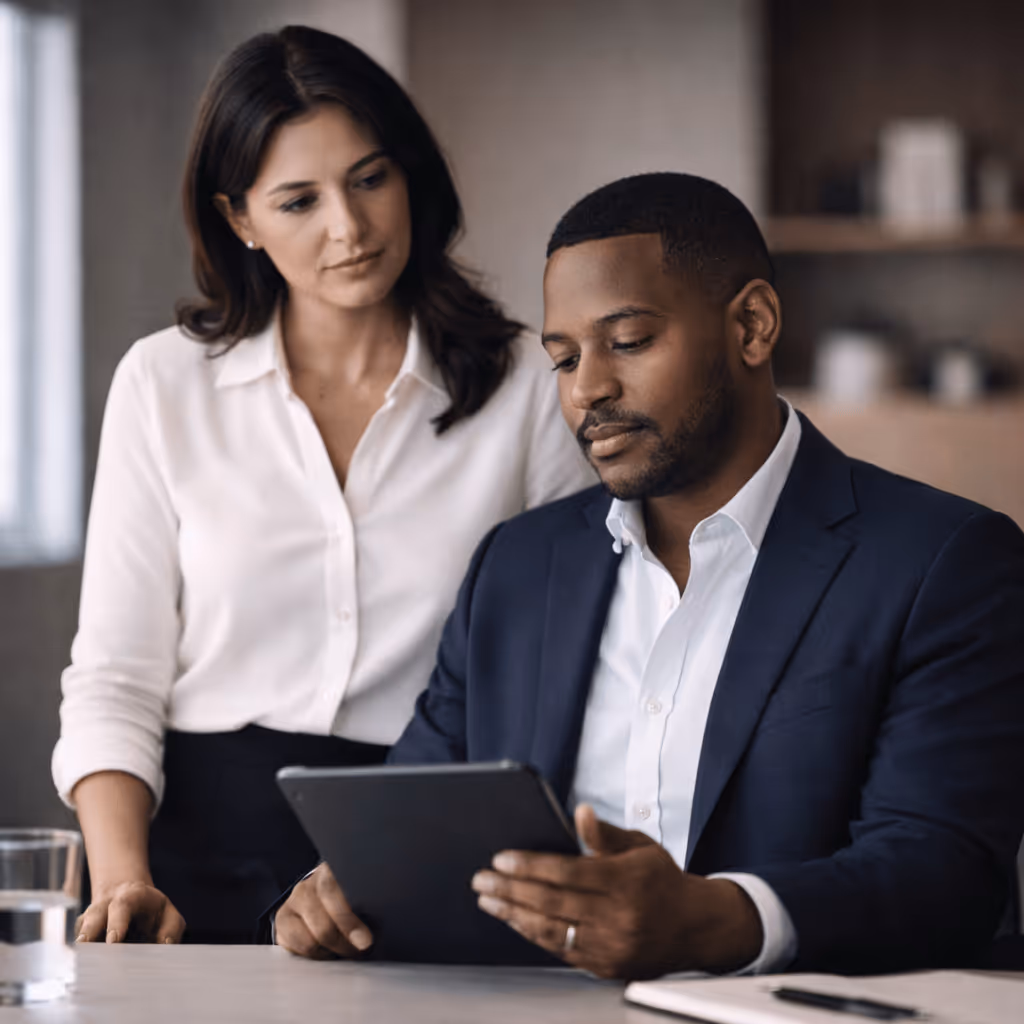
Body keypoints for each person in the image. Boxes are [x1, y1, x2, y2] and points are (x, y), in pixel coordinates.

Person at [273, 172, 1024, 978]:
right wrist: (338, 890)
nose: (588, 389)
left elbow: (944, 873)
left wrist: (719, 922)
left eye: (628, 342)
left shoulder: (945, 560)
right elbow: (412, 826)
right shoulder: (516, 568)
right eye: (563, 360)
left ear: (753, 325)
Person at [52, 26, 592, 945]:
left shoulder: (525, 391)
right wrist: (120, 881)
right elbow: (115, 676)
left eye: (371, 178)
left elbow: (565, 667)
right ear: (241, 219)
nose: (349, 228)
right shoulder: (162, 384)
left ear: (411, 175)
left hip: (422, 849)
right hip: (184, 860)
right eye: (298, 200)